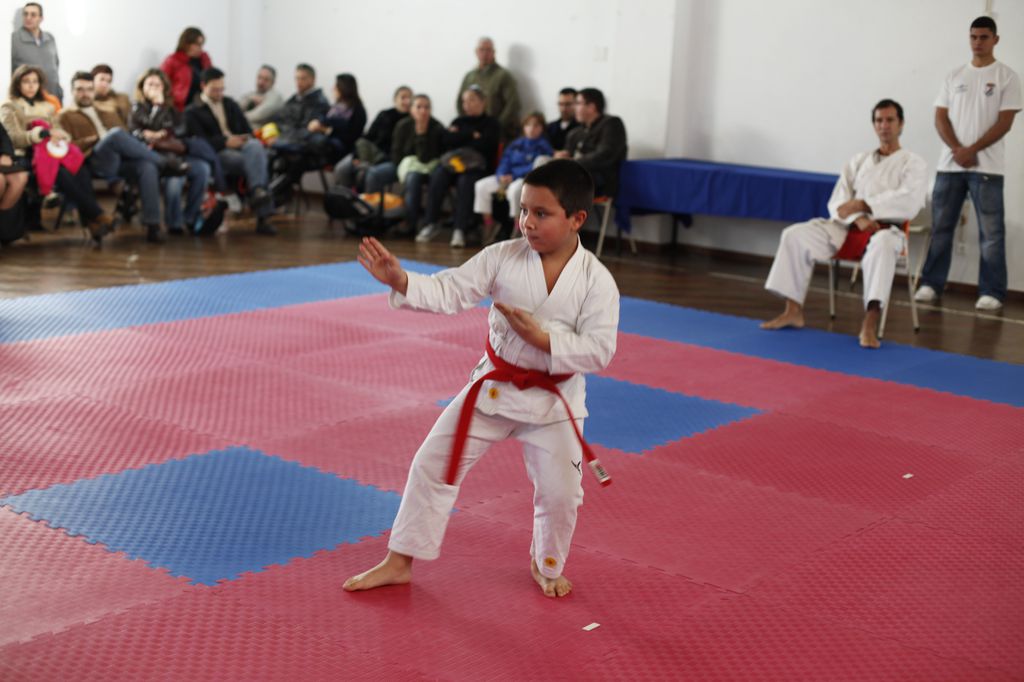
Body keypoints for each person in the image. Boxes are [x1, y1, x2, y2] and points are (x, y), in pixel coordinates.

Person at [344, 159, 619, 598]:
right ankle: (399, 560)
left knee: (562, 494)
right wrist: (402, 280)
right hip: (493, 388)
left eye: (541, 213)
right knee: (431, 464)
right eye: (524, 210)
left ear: (577, 219)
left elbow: (600, 349)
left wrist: (542, 340)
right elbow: (451, 290)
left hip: (554, 401)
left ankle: (546, 562)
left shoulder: (596, 282)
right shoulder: (502, 256)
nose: (527, 222)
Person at [761, 100, 927, 349]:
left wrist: (863, 204)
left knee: (882, 246)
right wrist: (856, 218)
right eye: (879, 120)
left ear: (901, 124)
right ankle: (793, 310)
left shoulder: (913, 163)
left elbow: (909, 201)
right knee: (794, 234)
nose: (884, 125)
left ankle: (869, 323)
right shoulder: (859, 160)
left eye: (890, 120)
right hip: (847, 227)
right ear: (874, 125)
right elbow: (838, 201)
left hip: (885, 230)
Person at [915, 16, 1021, 312]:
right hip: (950, 167)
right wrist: (957, 150)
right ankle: (931, 284)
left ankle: (992, 291)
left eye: (984, 37)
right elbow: (940, 117)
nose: (978, 42)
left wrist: (972, 150)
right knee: (941, 228)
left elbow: (1005, 122)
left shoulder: (1007, 76)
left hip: (987, 168)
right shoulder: (954, 75)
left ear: (995, 40)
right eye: (973, 37)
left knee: (991, 234)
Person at [60, 71, 186, 243]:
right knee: (115, 134)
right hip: (93, 160)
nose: (85, 93)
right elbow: (67, 147)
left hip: (119, 159)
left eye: (89, 89)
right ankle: (165, 163)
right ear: (72, 91)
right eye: (80, 89)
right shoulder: (65, 115)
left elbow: (127, 137)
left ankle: (153, 225)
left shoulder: (106, 110)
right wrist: (97, 139)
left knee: (146, 166)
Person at [0, 64, 114, 242]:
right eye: (26, 81)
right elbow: (13, 138)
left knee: (81, 169)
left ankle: (93, 222)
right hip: (25, 155)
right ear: (17, 84)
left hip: (52, 153)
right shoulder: (9, 106)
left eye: (35, 81)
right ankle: (97, 215)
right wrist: (42, 134)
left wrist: (60, 136)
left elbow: (60, 130)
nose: (31, 85)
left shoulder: (48, 106)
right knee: (61, 173)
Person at [130, 68, 217, 240]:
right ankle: (174, 223)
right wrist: (157, 108)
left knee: (202, 169)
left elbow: (178, 131)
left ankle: (190, 218)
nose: (154, 88)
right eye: (150, 84)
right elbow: (136, 133)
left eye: (158, 85)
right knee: (175, 180)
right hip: (153, 158)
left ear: (164, 88)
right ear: (142, 87)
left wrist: (158, 131)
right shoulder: (136, 108)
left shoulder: (172, 108)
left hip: (174, 155)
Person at [186, 67, 275, 235]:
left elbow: (248, 130)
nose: (219, 93)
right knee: (258, 162)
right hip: (217, 153)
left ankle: (257, 191)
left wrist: (243, 138)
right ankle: (263, 213)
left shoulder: (230, 104)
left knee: (255, 147)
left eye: (222, 89)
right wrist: (225, 142)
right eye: (215, 89)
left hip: (241, 147)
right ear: (203, 86)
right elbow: (198, 142)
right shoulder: (193, 111)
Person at [416, 85, 500, 248]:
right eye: (464, 101)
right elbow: (447, 141)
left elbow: (486, 146)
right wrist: (471, 135)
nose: (467, 104)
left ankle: (460, 229)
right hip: (455, 165)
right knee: (438, 175)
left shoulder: (491, 123)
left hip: (478, 168)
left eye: (471, 100)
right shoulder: (458, 121)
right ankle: (430, 223)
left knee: (465, 182)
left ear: (483, 102)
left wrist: (460, 136)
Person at [474, 112, 553, 243]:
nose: (531, 129)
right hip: (507, 176)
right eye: (528, 125)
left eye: (536, 126)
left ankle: (519, 226)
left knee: (515, 190)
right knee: (481, 185)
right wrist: (501, 175)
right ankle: (489, 223)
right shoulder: (516, 143)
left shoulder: (544, 146)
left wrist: (514, 175)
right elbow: (505, 160)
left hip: (525, 178)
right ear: (524, 127)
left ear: (542, 128)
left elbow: (536, 166)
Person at [267, 63, 330, 201]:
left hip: (305, 152)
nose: (299, 82)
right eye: (297, 78)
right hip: (287, 143)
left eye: (303, 78)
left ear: (312, 80)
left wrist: (280, 141)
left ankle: (270, 195)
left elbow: (307, 132)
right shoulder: (293, 99)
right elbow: (279, 121)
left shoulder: (320, 103)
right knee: (264, 152)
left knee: (290, 160)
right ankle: (265, 194)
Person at [333, 85, 411, 193]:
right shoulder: (384, 115)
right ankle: (345, 199)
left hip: (388, 159)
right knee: (342, 168)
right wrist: (356, 156)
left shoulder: (412, 121)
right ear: (395, 99)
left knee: (366, 173)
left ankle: (363, 202)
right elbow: (368, 137)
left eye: (410, 98)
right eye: (403, 97)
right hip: (369, 153)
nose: (407, 101)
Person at [554, 88, 627, 199]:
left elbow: (605, 154)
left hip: (598, 180)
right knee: (543, 162)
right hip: (573, 175)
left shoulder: (611, 124)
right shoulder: (576, 132)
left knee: (560, 177)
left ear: (591, 107)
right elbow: (568, 154)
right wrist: (561, 156)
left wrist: (573, 162)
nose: (574, 108)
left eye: (578, 103)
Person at [390, 93, 444, 236]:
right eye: (419, 107)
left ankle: (419, 223)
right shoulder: (402, 125)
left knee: (419, 178)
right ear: (411, 109)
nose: (423, 111)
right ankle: (408, 223)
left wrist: (421, 135)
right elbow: (396, 153)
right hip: (407, 167)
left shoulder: (437, 127)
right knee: (411, 177)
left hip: (430, 169)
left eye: (427, 107)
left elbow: (425, 158)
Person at [457, 37, 520, 141]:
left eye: (488, 50)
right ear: (476, 52)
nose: (485, 53)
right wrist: (466, 124)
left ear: (494, 52)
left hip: (497, 133)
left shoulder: (503, 75)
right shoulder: (470, 76)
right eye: (482, 49)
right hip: (472, 133)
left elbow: (513, 104)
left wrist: (496, 125)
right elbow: (460, 102)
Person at [307, 73, 366, 165]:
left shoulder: (358, 110)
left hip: (346, 148)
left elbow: (351, 136)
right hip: (328, 141)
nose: (333, 89)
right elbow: (326, 120)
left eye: (336, 87)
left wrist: (327, 130)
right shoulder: (336, 107)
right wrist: (318, 124)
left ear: (343, 88)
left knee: (317, 143)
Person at [11, 3, 62, 103]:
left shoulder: (50, 38)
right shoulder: (14, 39)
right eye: (25, 14)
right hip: (29, 98)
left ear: (41, 18)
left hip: (53, 95)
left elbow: (56, 64)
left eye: (33, 15)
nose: (28, 18)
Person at [161, 27, 212, 111]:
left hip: (203, 105)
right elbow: (162, 83)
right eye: (197, 44)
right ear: (187, 44)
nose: (201, 48)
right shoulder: (172, 60)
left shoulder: (205, 59)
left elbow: (212, 80)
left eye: (202, 44)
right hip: (180, 107)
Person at [545, 88, 579, 152]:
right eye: (560, 104)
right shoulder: (550, 127)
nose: (563, 109)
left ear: (577, 104)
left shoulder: (583, 127)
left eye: (568, 104)